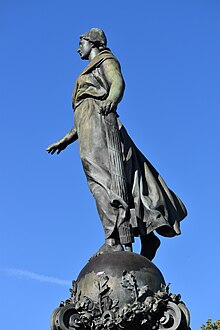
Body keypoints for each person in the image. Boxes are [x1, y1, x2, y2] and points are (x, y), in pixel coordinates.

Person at [47, 28, 187, 260]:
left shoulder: (106, 60)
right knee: (99, 181)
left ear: (93, 43)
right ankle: (142, 235)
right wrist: (67, 138)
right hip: (88, 131)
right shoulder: (88, 71)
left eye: (80, 42)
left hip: (102, 128)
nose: (77, 48)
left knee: (105, 182)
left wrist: (112, 100)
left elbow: (117, 83)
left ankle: (112, 240)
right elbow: (83, 116)